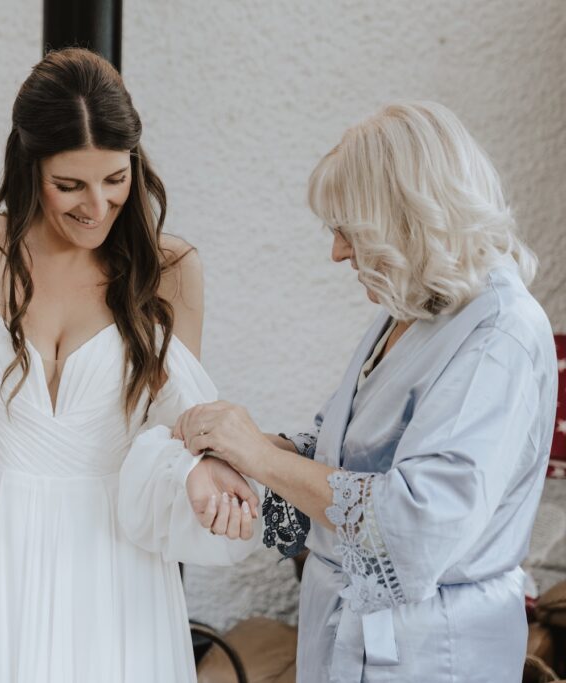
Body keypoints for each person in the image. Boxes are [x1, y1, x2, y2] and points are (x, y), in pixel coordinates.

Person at [0, 48, 262, 682]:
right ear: (27, 166)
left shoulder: (170, 269)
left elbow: (177, 427)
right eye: (70, 185)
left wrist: (200, 469)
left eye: (115, 179)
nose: (96, 205)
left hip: (116, 558)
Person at [175, 101, 557, 682]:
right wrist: (245, 450)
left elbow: (417, 523)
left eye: (349, 230)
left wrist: (255, 454)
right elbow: (342, 454)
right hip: (344, 636)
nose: (338, 252)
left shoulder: (499, 335)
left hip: (429, 657)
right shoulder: (412, 307)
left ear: (407, 218)